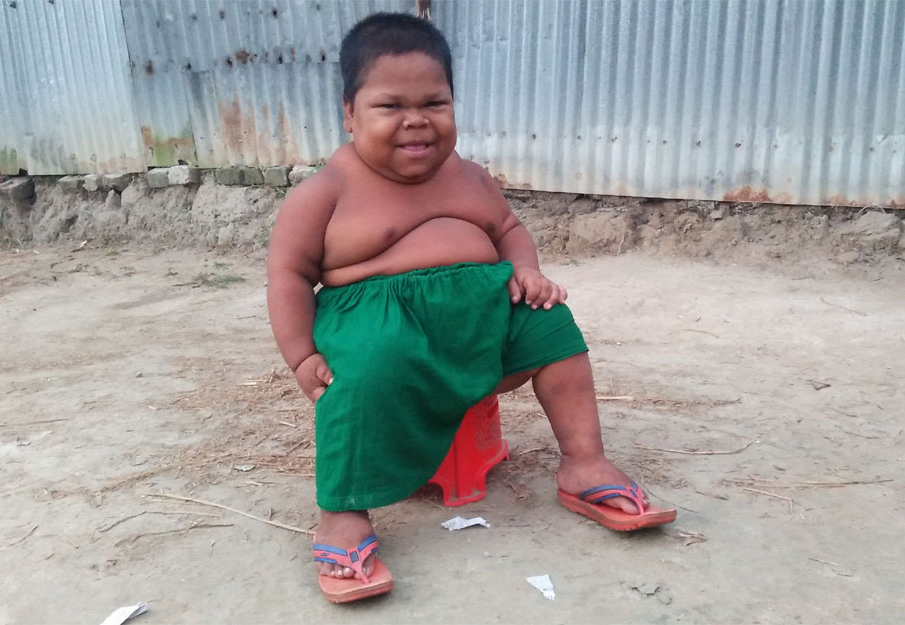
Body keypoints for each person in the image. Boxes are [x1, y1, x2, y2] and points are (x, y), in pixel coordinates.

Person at [266, 12, 676, 604]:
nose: (416, 120)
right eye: (390, 106)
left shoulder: (472, 177)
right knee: (359, 371)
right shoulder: (325, 192)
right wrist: (301, 355)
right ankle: (344, 510)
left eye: (435, 103)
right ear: (350, 113)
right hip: (379, 326)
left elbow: (508, 230)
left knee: (552, 327)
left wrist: (526, 271)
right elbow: (289, 275)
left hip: (481, 316)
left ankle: (584, 462)